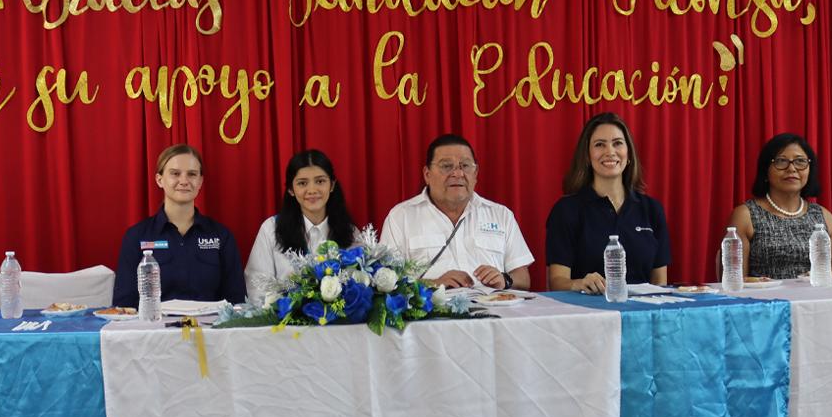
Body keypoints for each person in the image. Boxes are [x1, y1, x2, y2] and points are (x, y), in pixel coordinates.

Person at [380, 134, 533, 290]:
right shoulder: (401, 217)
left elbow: (523, 278)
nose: (458, 174)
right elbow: (385, 283)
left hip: (496, 308)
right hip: (432, 312)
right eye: (447, 166)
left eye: (465, 166)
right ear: (427, 174)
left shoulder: (501, 215)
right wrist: (433, 285)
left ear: (475, 174)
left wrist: (505, 279)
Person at [546, 112, 670, 292]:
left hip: (643, 313)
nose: (610, 152)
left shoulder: (652, 209)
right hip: (588, 314)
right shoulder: (566, 210)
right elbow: (556, 281)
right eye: (599, 145)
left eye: (617, 143)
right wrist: (579, 283)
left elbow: (660, 282)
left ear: (629, 154)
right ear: (587, 156)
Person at [112, 144, 246, 307]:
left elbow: (237, 301)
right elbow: (125, 305)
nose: (184, 181)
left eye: (192, 174)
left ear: (200, 181)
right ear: (159, 180)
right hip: (155, 330)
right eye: (175, 174)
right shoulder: (136, 236)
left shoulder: (222, 236)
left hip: (210, 331)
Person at [725, 133, 832, 279]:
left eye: (800, 161)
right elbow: (733, 281)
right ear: (766, 170)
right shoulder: (746, 215)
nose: (792, 169)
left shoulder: (823, 215)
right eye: (781, 161)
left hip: (816, 299)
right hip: (767, 300)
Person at [244, 150, 359, 301]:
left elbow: (359, 284)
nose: (312, 190)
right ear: (291, 189)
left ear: (332, 185)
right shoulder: (271, 229)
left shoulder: (351, 233)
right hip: (283, 323)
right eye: (302, 183)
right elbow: (257, 288)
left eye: (320, 181)